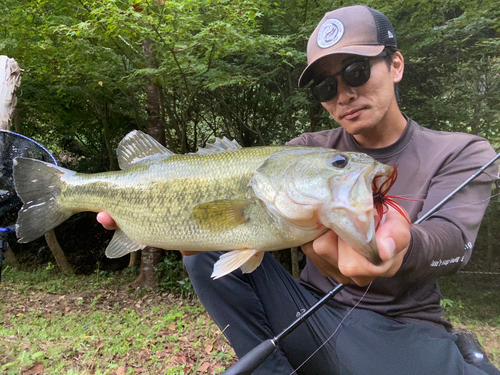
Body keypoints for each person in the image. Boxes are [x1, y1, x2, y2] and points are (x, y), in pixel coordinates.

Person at [98, 5, 499, 374]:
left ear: (395, 65)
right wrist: (157, 214)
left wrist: (404, 248)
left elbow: (452, 238)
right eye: (326, 87)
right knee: (205, 248)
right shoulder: (305, 151)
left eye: (357, 71)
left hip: (403, 327)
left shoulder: (462, 151)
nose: (343, 94)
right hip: (307, 313)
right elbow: (227, 210)